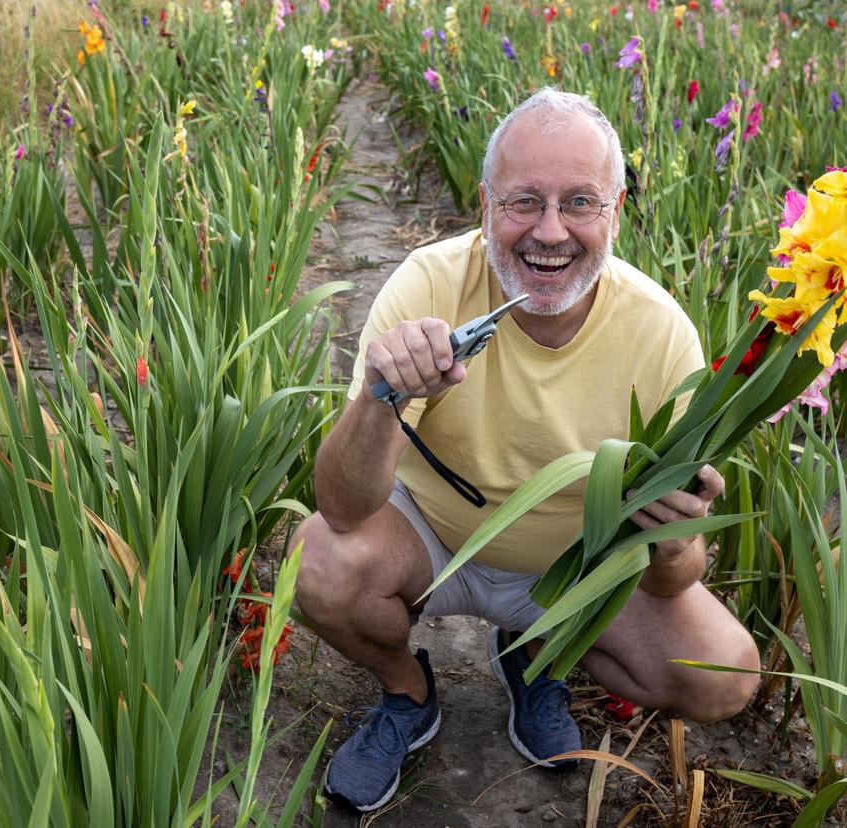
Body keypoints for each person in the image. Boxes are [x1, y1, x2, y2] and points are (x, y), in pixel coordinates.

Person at [288, 88, 760, 814]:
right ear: (484, 204)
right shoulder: (429, 285)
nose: (550, 232)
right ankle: (408, 695)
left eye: (579, 202)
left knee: (724, 675)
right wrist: (380, 395)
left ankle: (537, 653)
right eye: (523, 202)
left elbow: (673, 578)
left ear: (617, 210)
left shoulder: (661, 334)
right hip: (433, 538)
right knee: (317, 564)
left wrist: (673, 546)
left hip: (568, 571)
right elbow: (344, 510)